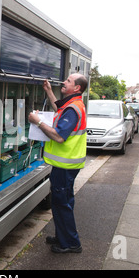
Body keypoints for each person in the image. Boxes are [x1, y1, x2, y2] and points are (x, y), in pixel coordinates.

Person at [28, 73, 88, 254]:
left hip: (65, 166)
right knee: (64, 202)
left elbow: (59, 136)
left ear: (77, 88)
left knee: (62, 204)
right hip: (67, 166)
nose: (64, 82)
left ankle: (71, 243)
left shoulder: (73, 109)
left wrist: (38, 122)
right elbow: (59, 110)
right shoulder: (73, 105)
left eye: (68, 81)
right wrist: (48, 91)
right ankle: (64, 236)